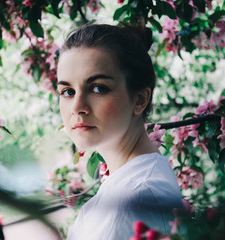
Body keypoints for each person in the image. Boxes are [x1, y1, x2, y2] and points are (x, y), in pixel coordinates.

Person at [56, 24, 183, 240]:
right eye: (67, 91)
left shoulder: (136, 199)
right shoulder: (127, 184)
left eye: (98, 88)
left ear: (140, 100)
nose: (77, 107)